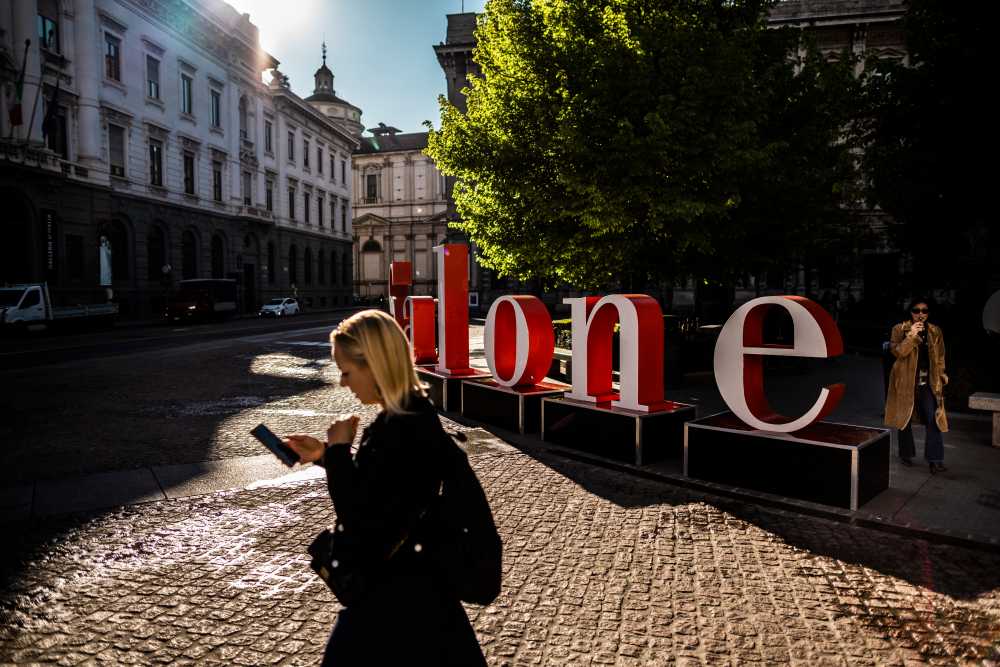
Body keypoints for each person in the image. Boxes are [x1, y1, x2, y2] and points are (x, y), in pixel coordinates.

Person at [284, 309, 486, 665]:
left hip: (398, 597)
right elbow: (378, 490)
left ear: (374, 366)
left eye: (346, 372)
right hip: (414, 592)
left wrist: (340, 451)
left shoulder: (402, 428)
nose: (344, 383)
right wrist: (324, 455)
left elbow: (361, 520)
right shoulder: (407, 415)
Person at [884, 299, 950, 474]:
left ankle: (935, 460)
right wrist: (911, 336)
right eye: (916, 310)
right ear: (910, 312)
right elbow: (897, 352)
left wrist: (942, 375)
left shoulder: (935, 331)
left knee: (933, 418)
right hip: (905, 380)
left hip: (928, 381)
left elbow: (941, 355)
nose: (920, 314)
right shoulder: (899, 329)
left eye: (924, 310)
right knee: (904, 419)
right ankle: (906, 454)